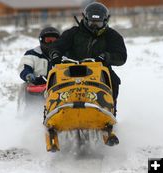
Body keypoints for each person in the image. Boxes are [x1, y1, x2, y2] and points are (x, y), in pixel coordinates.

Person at [48, 2, 127, 145]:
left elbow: (121, 56)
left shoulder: (112, 36)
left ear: (105, 21)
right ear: (85, 19)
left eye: (98, 23)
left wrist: (107, 57)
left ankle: (109, 113)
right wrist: (54, 54)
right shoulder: (72, 33)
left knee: (114, 80)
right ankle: (52, 108)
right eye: (91, 22)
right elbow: (57, 46)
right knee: (53, 76)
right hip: (70, 69)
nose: (94, 26)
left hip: (99, 71)